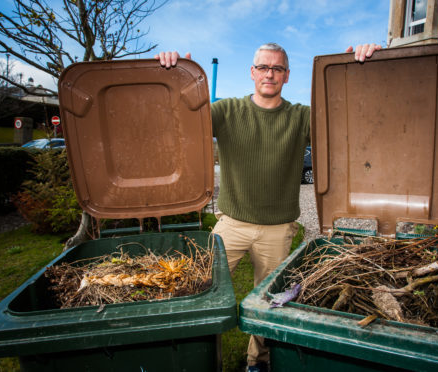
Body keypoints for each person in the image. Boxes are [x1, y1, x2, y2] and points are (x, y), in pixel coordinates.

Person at [155, 42, 381, 372]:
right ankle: (201, 358)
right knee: (198, 289)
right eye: (263, 67)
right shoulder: (227, 111)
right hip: (230, 224)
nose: (269, 74)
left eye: (277, 68)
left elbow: (346, 120)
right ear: (252, 72)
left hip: (277, 230)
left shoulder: (302, 117)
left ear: (287, 76)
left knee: (271, 303)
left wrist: (359, 70)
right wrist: (177, 78)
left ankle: (257, 362)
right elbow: (180, 122)